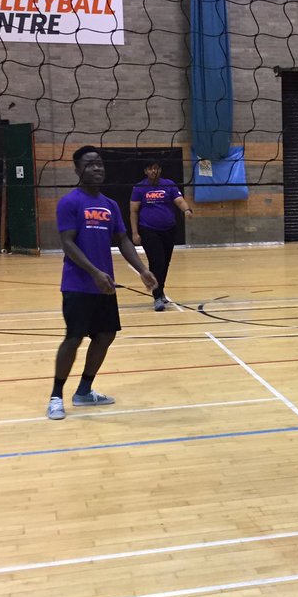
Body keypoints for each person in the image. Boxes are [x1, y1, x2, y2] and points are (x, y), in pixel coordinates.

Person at [48, 146, 156, 420]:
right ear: (77, 170)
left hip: (104, 286)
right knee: (73, 338)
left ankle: (84, 391)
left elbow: (122, 240)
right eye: (89, 164)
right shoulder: (69, 202)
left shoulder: (110, 205)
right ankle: (56, 396)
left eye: (99, 163)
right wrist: (94, 272)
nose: (96, 168)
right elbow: (68, 243)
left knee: (106, 335)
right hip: (78, 285)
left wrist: (142, 270)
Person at [130, 160, 193, 311]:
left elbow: (179, 201)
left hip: (169, 230)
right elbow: (134, 210)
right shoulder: (139, 187)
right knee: (156, 261)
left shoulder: (169, 184)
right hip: (148, 229)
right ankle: (157, 296)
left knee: (165, 263)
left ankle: (161, 290)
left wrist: (186, 209)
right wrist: (135, 233)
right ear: (146, 171)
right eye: (151, 169)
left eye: (156, 168)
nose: (154, 171)